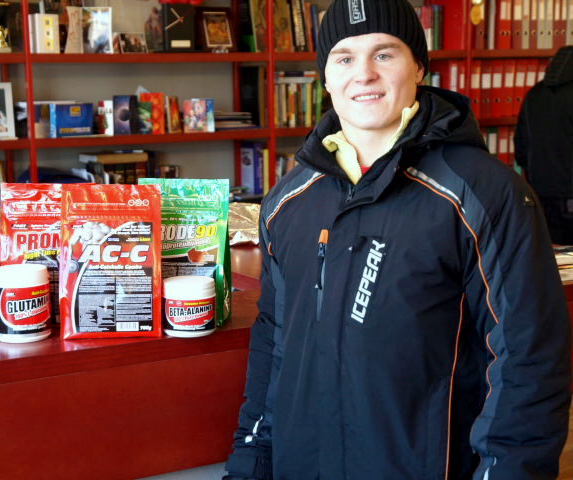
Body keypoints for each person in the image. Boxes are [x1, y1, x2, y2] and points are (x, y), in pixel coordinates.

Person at [223, 0, 572, 479]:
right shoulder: (287, 200)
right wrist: (250, 464)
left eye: (384, 54)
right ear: (326, 77)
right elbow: (274, 344)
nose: (363, 73)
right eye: (345, 57)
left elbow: (529, 362)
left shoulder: (484, 194)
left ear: (419, 68)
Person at [515, 46, 573, 245]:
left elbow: (521, 147)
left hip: (539, 194)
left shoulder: (534, 94)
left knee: (550, 252)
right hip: (569, 192)